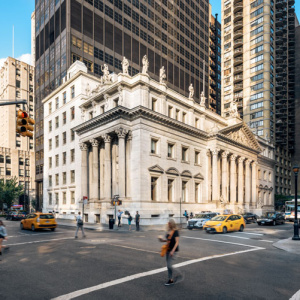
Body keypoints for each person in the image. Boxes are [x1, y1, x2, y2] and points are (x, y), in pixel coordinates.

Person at [159, 219, 181, 286]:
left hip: (173, 251)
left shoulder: (176, 231)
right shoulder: (168, 231)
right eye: (168, 223)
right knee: (168, 265)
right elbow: (167, 240)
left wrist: (173, 251)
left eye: (169, 223)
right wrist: (161, 240)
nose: (168, 224)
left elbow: (177, 242)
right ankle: (170, 279)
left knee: (169, 265)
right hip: (168, 250)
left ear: (172, 224)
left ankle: (174, 276)